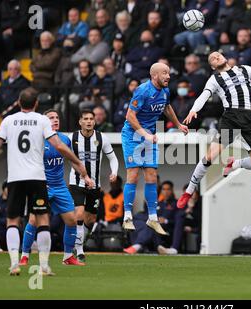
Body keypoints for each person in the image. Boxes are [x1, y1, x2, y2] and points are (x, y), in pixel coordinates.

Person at [0, 88, 92, 276]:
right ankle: (40, 264)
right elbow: (59, 146)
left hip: (17, 178)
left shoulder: (9, 121)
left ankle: (15, 264)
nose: (55, 120)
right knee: (41, 220)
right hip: (38, 178)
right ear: (36, 104)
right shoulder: (42, 122)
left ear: (18, 103)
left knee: (13, 221)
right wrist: (80, 165)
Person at [177, 52, 251, 208]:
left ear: (224, 57)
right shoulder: (214, 79)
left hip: (249, 120)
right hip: (230, 119)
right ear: (212, 66)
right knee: (210, 156)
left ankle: (235, 164)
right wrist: (194, 110)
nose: (216, 57)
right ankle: (189, 190)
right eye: (212, 58)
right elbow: (203, 96)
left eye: (218, 55)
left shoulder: (246, 69)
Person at [120, 62, 189, 235]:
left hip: (149, 136)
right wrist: (145, 135)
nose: (168, 76)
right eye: (165, 73)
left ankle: (152, 218)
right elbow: (130, 115)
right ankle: (127, 216)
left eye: (168, 72)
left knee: (151, 176)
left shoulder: (165, 91)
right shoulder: (143, 90)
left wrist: (178, 124)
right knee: (134, 175)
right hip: (133, 135)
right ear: (154, 76)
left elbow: (167, 107)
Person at [19, 109, 85, 267]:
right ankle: (24, 255)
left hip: (60, 186)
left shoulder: (64, 140)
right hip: (42, 186)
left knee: (72, 220)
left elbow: (72, 161)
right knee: (34, 220)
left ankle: (68, 256)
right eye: (51, 118)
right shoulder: (37, 141)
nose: (55, 120)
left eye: (56, 117)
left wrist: (85, 176)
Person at [69, 109, 119, 263]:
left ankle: (79, 243)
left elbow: (113, 158)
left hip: (95, 185)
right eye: (86, 119)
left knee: (90, 220)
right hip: (76, 182)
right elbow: (65, 156)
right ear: (80, 122)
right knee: (79, 214)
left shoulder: (101, 138)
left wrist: (114, 172)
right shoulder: (72, 138)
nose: (89, 121)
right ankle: (79, 250)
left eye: (91, 118)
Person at [124, 180, 184, 254]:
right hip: (155, 225)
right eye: (164, 189)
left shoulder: (176, 203)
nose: (166, 192)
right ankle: (138, 245)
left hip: (167, 227)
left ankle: (137, 246)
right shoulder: (158, 203)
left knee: (150, 225)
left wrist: (166, 221)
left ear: (172, 190)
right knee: (138, 221)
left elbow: (179, 220)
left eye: (168, 189)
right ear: (161, 190)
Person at [0, 60, 30, 131]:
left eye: (15, 69)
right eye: (10, 69)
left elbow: (17, 98)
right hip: (2, 106)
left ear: (19, 70)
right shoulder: (5, 82)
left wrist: (5, 101)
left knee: (8, 115)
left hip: (14, 108)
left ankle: (7, 137)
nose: (12, 71)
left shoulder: (24, 82)